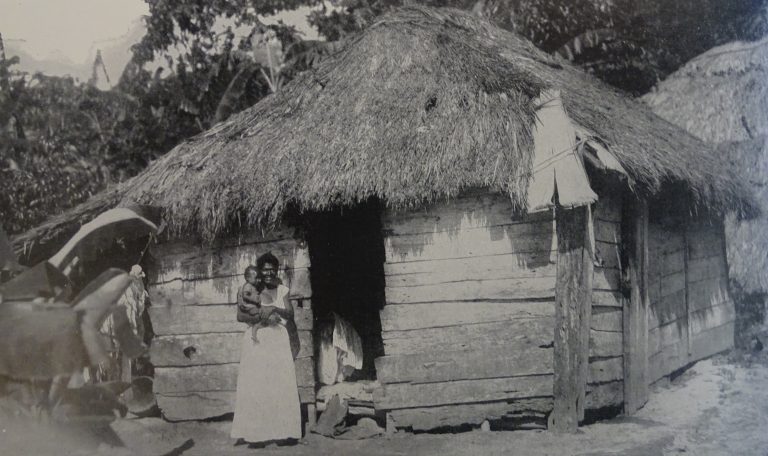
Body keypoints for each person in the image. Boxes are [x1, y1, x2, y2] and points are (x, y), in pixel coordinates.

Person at [230, 252, 301, 446]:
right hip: (257, 342)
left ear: (276, 271)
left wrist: (275, 310)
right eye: (265, 270)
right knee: (256, 385)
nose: (269, 273)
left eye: (272, 270)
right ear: (259, 271)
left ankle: (282, 432)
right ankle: (256, 434)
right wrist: (264, 318)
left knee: (279, 384)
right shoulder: (251, 289)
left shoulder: (282, 290)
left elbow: (290, 314)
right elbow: (240, 316)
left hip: (278, 340)